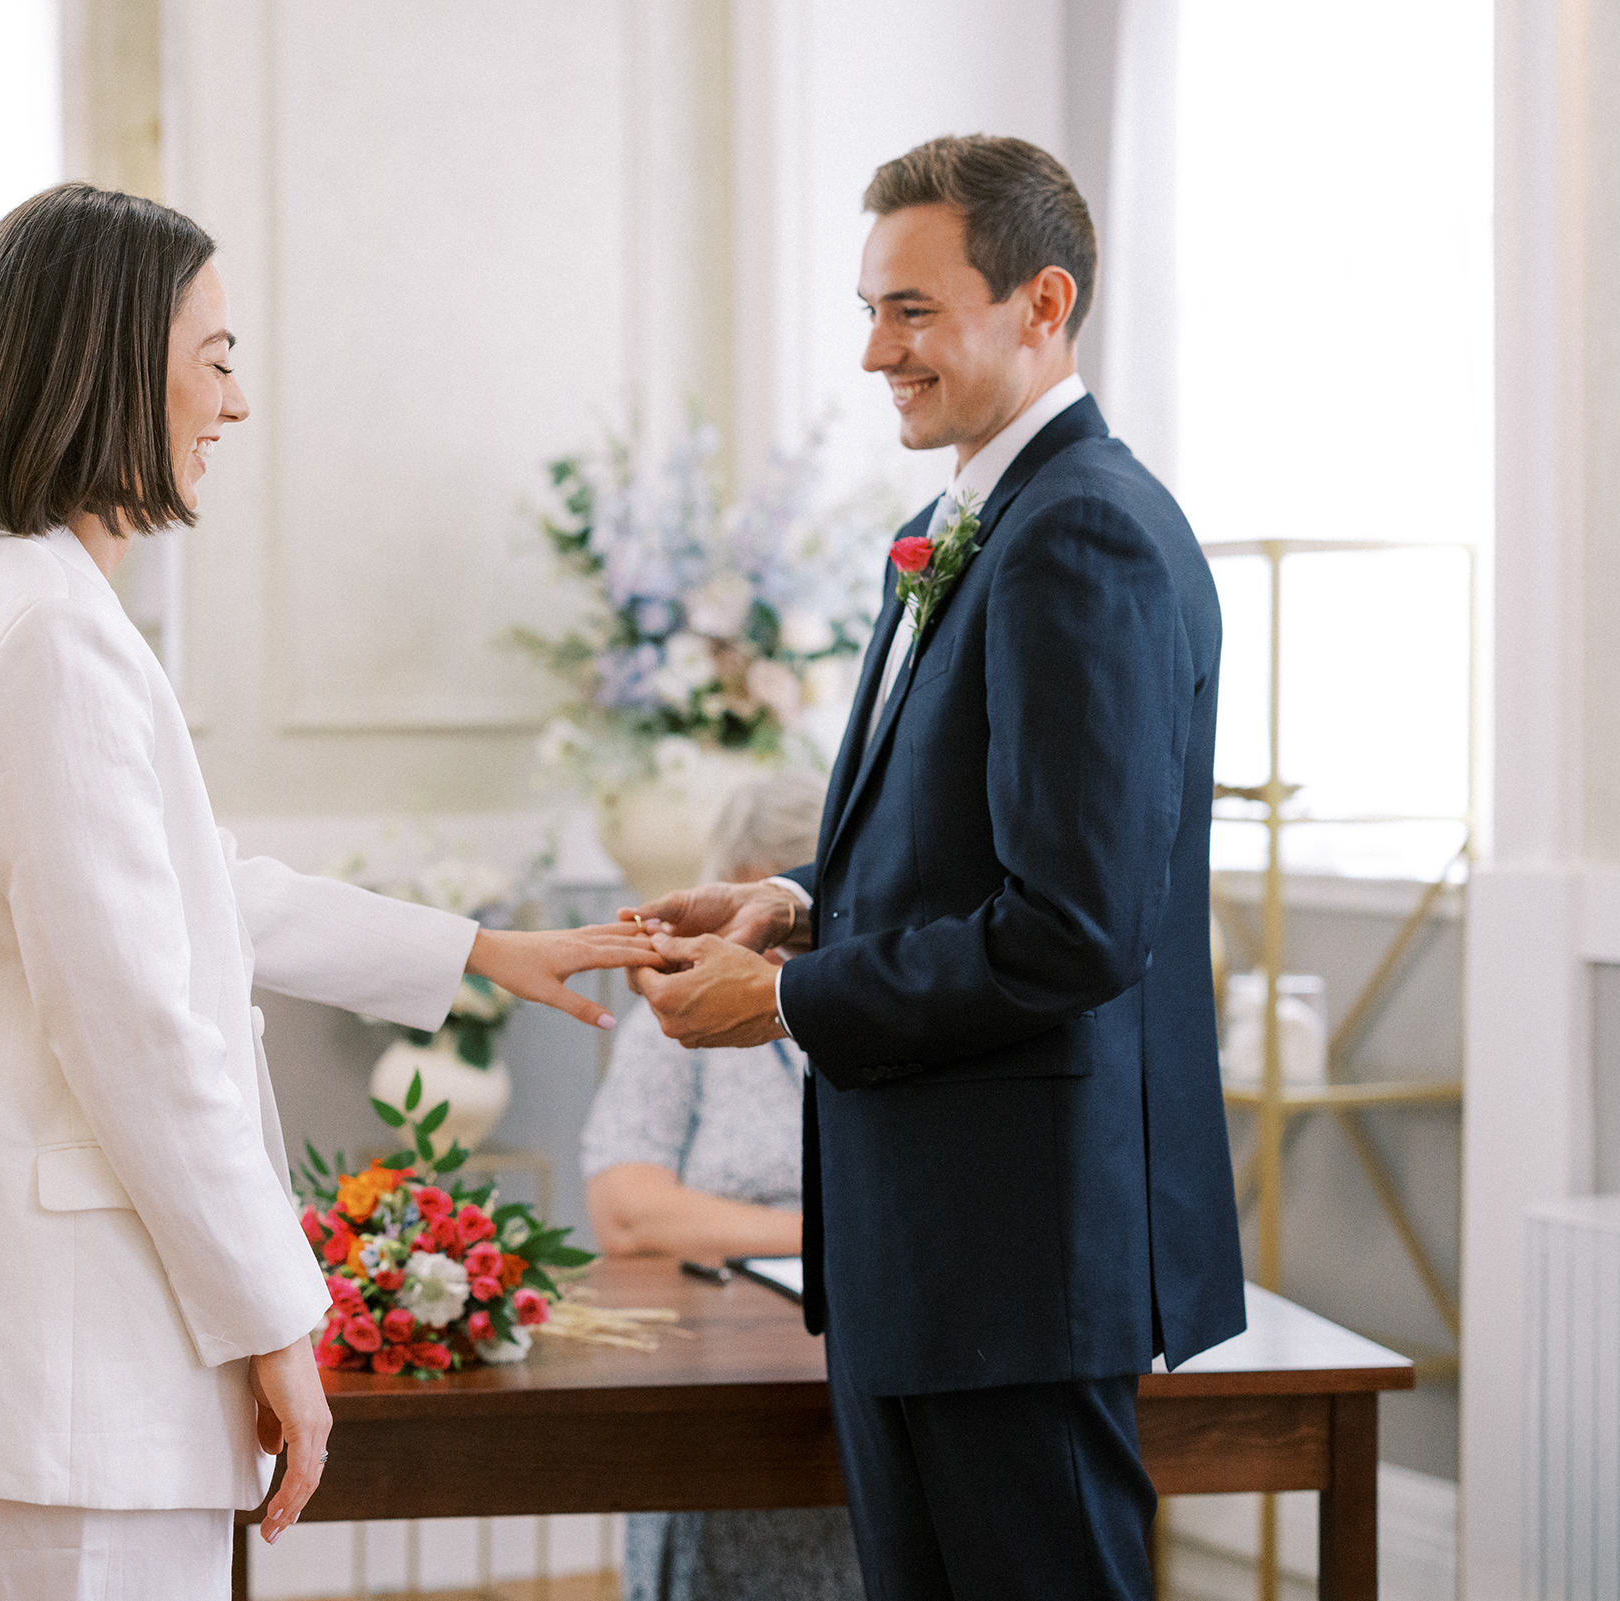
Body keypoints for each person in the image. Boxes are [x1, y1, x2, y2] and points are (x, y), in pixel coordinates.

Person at [0, 183, 662, 1601]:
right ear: (112, 360)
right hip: (78, 1361)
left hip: (30, 1354)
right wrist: (278, 1321)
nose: (235, 401)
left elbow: (192, 893)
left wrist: (480, 948)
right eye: (216, 354)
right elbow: (135, 1026)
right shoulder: (49, 632)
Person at [625, 136, 1245, 1600]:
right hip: (933, 1257)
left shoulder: (1081, 532)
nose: (873, 354)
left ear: (1042, 304)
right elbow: (981, 845)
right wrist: (794, 905)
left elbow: (1073, 927)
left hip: (1014, 1258)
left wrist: (785, 1005)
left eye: (912, 311)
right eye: (868, 309)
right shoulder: (957, 525)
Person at [581, 773, 865, 1601]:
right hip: (722, 1371)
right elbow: (626, 1210)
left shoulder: (898, 1007)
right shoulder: (682, 1014)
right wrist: (832, 1235)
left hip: (863, 1363)